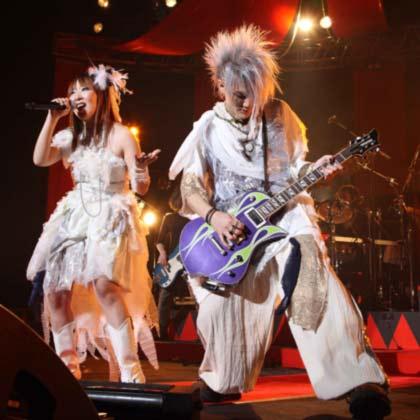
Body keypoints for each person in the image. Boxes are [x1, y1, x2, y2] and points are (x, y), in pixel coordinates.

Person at [169, 25, 391, 418]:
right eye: (239, 94)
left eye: (255, 93)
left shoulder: (280, 115)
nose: (248, 103)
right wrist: (215, 217)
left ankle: (357, 382)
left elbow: (295, 167)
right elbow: (190, 186)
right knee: (227, 307)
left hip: (286, 217)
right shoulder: (207, 128)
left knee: (313, 283)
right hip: (234, 230)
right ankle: (223, 379)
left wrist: (319, 167)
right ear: (219, 85)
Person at [27, 64, 160, 383]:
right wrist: (52, 118)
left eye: (83, 89)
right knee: (55, 290)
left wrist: (141, 168)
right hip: (75, 213)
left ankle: (130, 371)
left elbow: (141, 188)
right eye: (72, 91)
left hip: (111, 212)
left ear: (101, 95)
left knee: (104, 285)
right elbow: (40, 159)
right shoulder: (71, 136)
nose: (76, 96)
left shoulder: (121, 135)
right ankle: (68, 371)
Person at [154, 184, 191, 340]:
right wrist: (163, 254)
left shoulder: (195, 219)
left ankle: (197, 332)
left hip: (190, 262)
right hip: (172, 263)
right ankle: (162, 333)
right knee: (165, 297)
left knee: (197, 296)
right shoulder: (169, 217)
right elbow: (159, 240)